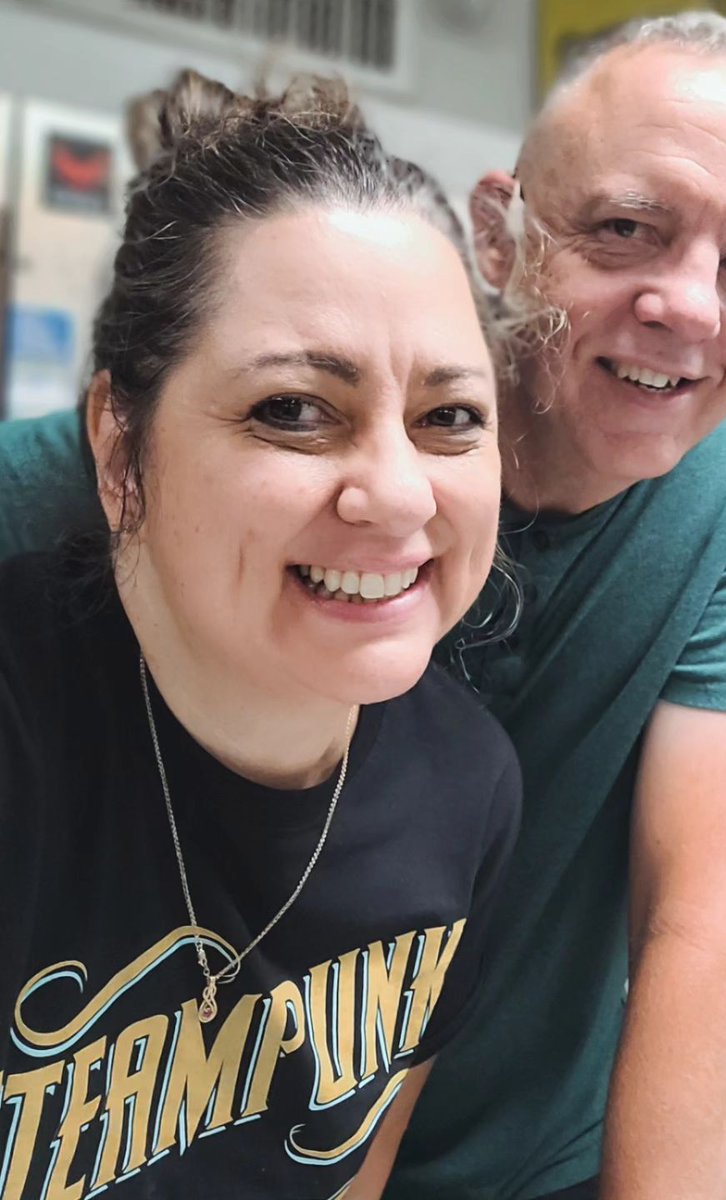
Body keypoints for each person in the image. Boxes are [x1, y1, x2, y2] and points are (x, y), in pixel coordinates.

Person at [0, 14, 726, 1199]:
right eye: (627, 229)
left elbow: (702, 930)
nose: (690, 306)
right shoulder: (74, 504)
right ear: (503, 232)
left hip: (464, 1136)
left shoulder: (475, 771)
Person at [0, 72, 521, 1200]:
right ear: (118, 446)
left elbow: (353, 1168)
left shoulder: (469, 786)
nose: (398, 493)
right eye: (293, 408)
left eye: (449, 418)